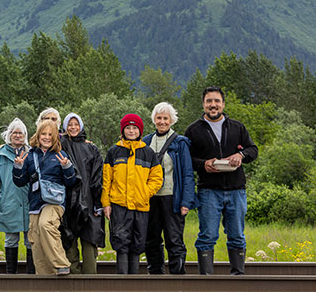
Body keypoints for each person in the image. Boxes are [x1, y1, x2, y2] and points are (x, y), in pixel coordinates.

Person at [184, 86, 258, 275]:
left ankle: (237, 277)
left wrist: (241, 155)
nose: (213, 105)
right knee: (207, 236)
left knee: (237, 236)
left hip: (237, 190)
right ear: (203, 104)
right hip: (209, 190)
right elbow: (186, 160)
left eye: (217, 101)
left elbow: (253, 150)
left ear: (223, 104)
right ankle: (207, 279)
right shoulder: (193, 130)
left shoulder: (237, 127)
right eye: (209, 101)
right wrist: (203, 164)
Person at [13, 119, 78, 275]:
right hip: (35, 202)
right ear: (38, 135)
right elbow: (20, 182)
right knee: (34, 237)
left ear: (55, 136)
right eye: (43, 134)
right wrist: (18, 167)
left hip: (54, 202)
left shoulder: (61, 155)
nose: (47, 137)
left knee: (46, 224)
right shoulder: (29, 155)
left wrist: (67, 167)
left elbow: (71, 182)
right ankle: (44, 275)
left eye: (50, 134)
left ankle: (61, 263)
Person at [101, 114, 163, 274]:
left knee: (138, 242)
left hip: (140, 205)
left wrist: (145, 192)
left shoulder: (148, 152)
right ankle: (122, 280)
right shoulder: (114, 152)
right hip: (119, 205)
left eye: (134, 127)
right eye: (128, 128)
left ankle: (134, 281)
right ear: (122, 130)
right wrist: (106, 203)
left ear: (140, 130)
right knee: (121, 242)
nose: (131, 130)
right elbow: (106, 180)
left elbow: (157, 178)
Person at [143, 102, 196, 275]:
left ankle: (177, 276)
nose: (162, 121)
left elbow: (188, 174)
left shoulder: (180, 143)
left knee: (174, 238)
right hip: (150, 198)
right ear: (154, 120)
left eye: (165, 118)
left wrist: (186, 201)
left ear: (171, 120)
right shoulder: (146, 142)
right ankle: (156, 274)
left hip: (172, 197)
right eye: (159, 118)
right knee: (151, 238)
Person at [60, 113, 104, 275]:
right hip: (67, 201)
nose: (73, 127)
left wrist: (98, 203)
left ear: (81, 126)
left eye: (76, 124)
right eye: (69, 124)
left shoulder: (91, 148)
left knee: (89, 242)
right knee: (68, 241)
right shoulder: (60, 144)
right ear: (64, 127)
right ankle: (74, 280)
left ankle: (89, 280)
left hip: (89, 200)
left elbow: (97, 178)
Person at [0, 118, 32, 274]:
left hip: (28, 202)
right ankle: (11, 276)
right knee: (10, 240)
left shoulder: (31, 153)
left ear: (25, 135)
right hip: (8, 202)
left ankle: (31, 275)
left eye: (20, 133)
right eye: (14, 132)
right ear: (9, 135)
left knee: (30, 241)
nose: (17, 136)